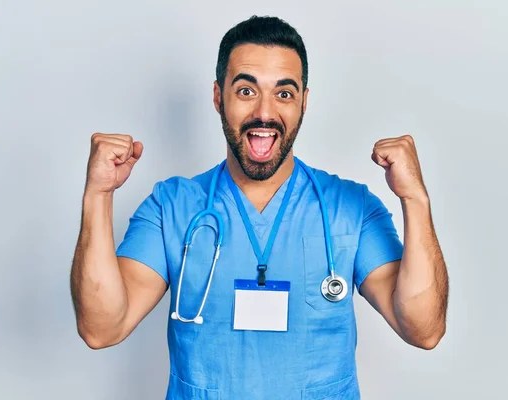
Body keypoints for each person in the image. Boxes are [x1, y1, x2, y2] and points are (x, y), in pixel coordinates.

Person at [70, 15, 449, 399]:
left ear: (304, 101)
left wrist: (415, 200)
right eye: (246, 91)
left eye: (284, 93)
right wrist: (98, 196)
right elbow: (102, 328)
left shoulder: (350, 208)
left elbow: (424, 329)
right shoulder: (172, 207)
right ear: (219, 97)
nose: (265, 113)